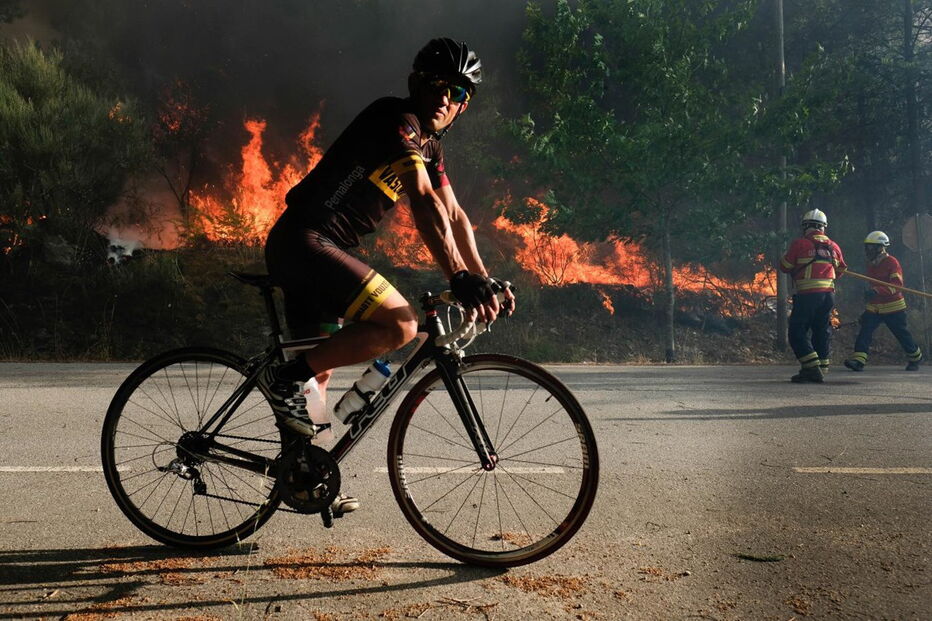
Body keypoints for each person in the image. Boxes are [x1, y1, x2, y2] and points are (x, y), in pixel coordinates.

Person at [261, 38, 515, 514]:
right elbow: (423, 201)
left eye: (460, 92)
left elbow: (454, 214)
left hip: (319, 247)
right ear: (417, 83)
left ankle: (304, 477)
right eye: (439, 85)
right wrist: (457, 275)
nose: (446, 98)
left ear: (465, 105)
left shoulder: (430, 145)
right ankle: (283, 382)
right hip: (306, 242)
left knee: (320, 371)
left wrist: (485, 279)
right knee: (400, 325)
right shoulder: (399, 122)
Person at [779, 209, 847, 383]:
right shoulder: (834, 246)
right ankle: (821, 368)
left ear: (805, 226)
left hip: (808, 295)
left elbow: (785, 266)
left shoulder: (800, 244)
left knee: (796, 331)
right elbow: (840, 271)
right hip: (828, 297)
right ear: (823, 227)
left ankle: (812, 368)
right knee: (821, 330)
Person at [843, 231, 923, 372]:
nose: (868, 250)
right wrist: (869, 296)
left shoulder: (892, 262)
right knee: (865, 332)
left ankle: (915, 358)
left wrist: (877, 291)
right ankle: (858, 361)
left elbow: (897, 285)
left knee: (901, 334)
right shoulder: (872, 264)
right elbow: (873, 285)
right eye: (867, 247)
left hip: (894, 308)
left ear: (881, 247)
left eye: (871, 247)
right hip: (875, 308)